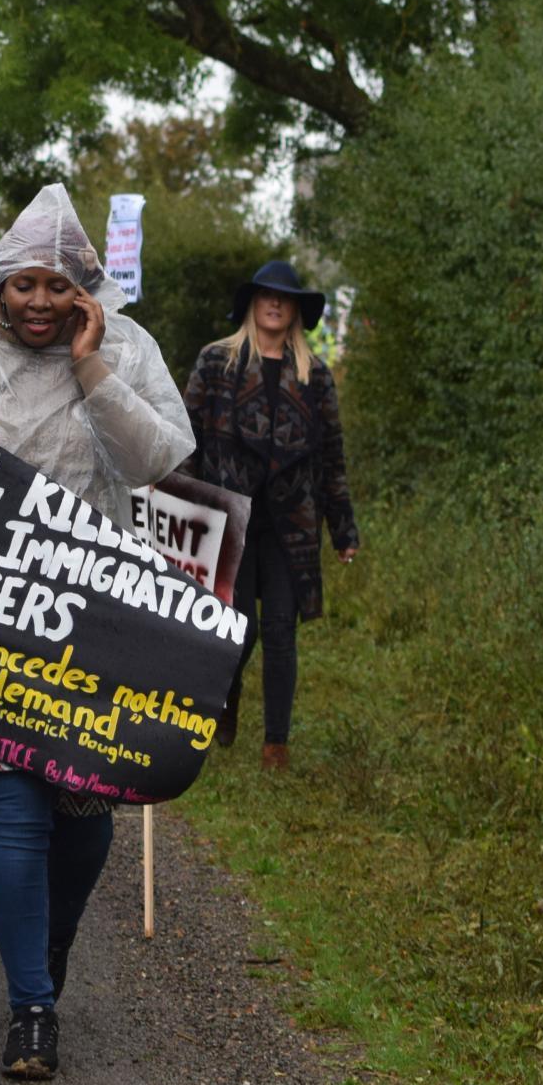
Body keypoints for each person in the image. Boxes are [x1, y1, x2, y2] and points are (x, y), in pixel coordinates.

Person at [0, 185, 194, 1081]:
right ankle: (31, 1006)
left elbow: (163, 460)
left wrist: (95, 370)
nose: (34, 301)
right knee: (13, 814)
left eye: (53, 286)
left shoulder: (128, 351)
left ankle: (48, 955)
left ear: (83, 292)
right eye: (18, 284)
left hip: (93, 624)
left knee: (83, 820)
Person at [183, 259, 360, 774]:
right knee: (239, 628)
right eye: (266, 296)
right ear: (253, 305)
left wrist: (343, 528)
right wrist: (183, 508)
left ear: (297, 312)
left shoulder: (315, 376)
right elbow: (186, 435)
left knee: (283, 629)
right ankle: (225, 702)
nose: (275, 304)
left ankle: (275, 746)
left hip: (292, 524)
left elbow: (331, 455)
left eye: (285, 298)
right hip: (229, 520)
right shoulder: (217, 363)